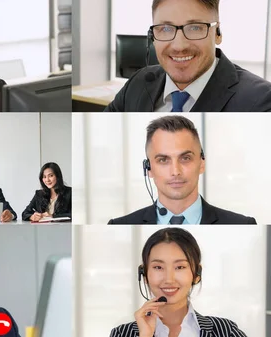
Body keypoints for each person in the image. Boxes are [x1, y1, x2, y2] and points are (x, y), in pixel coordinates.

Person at [104, 0, 271, 112]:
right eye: (165, 29)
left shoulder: (261, 101)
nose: (179, 46)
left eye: (195, 28)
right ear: (152, 36)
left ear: (218, 33)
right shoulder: (138, 83)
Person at [108, 115, 256, 224]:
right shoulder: (119, 225)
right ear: (149, 169)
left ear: (202, 163)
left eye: (185, 158)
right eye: (163, 160)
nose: (175, 171)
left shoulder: (242, 224)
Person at [110, 227, 247, 337]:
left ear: (196, 274)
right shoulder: (121, 333)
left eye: (180, 267)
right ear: (144, 274)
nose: (169, 279)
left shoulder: (225, 331)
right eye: (158, 267)